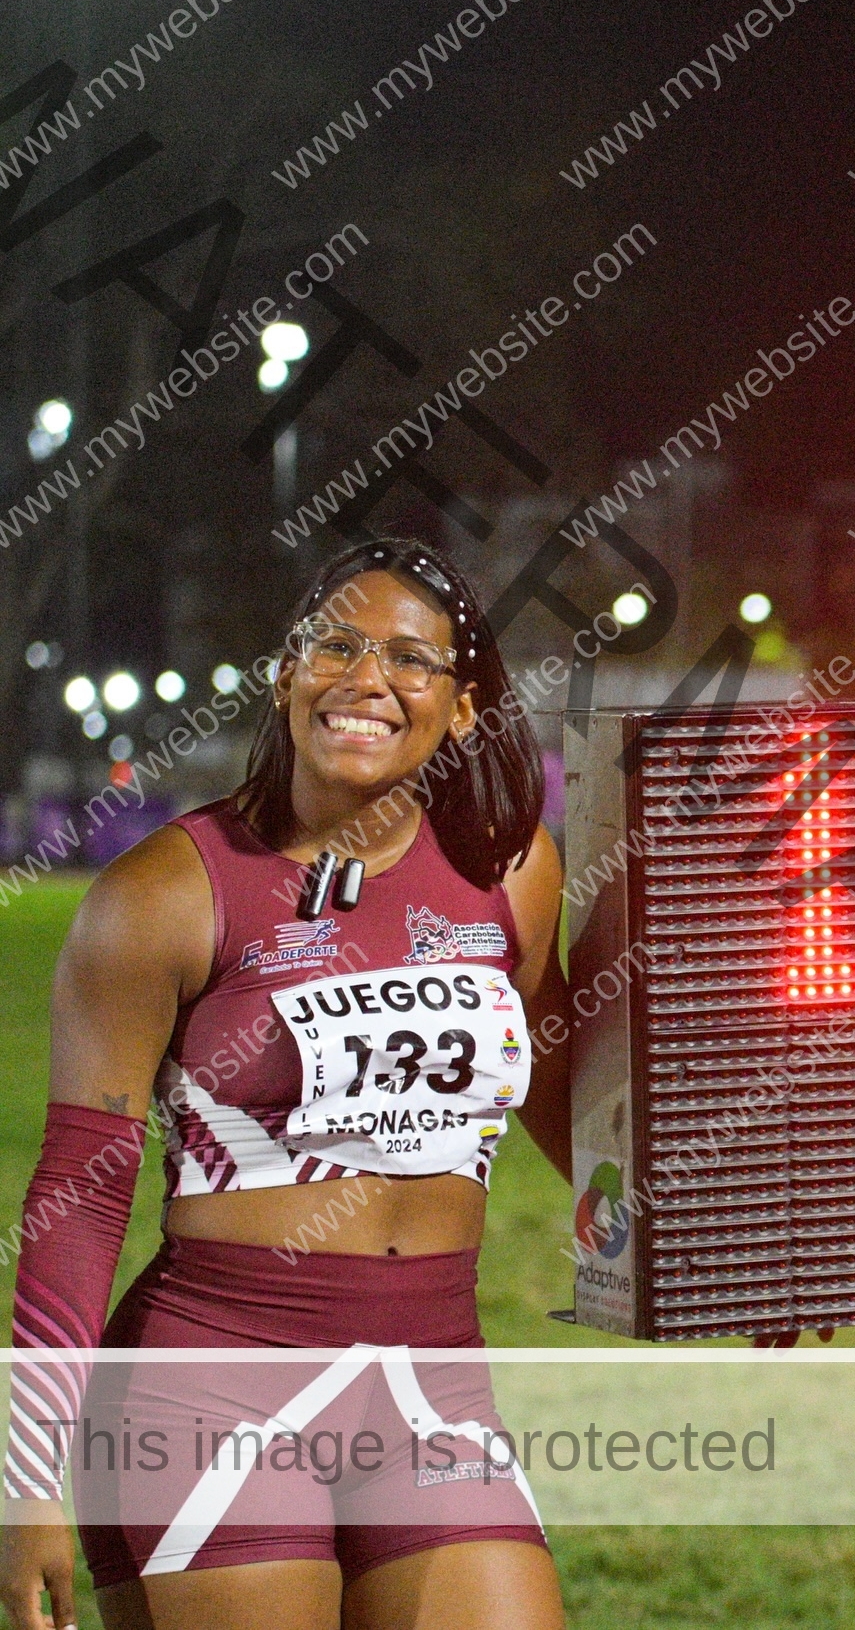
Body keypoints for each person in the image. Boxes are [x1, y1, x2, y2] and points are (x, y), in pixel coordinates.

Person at [0, 538, 570, 1630]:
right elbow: (78, 1198)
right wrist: (26, 1480)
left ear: (462, 707)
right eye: (337, 645)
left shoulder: (514, 873)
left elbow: (577, 1108)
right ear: (284, 674)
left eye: (411, 658)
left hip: (433, 1379)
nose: (367, 680)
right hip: (211, 1382)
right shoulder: (165, 891)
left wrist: (729, 1262)